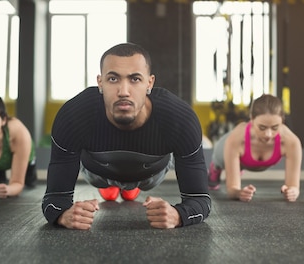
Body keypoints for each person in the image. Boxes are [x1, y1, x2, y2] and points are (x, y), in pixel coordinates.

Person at [42, 43, 211, 230]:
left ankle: (130, 189)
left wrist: (179, 215)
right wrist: (63, 216)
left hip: (150, 174)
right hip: (98, 172)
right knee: (105, 183)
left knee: (136, 188)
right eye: (113, 79)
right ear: (100, 83)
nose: (123, 91)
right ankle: (116, 187)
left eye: (135, 79)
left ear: (150, 83)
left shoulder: (181, 119)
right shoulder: (73, 115)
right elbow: (53, 200)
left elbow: (201, 200)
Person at [208, 94, 302, 202]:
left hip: (244, 156)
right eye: (262, 127)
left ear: (282, 120)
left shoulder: (292, 142)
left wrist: (292, 192)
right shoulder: (236, 139)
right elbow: (232, 190)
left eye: (275, 127)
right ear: (251, 119)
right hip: (227, 149)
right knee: (216, 169)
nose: (268, 134)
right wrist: (239, 193)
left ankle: (237, 168)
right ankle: (215, 168)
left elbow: (294, 186)